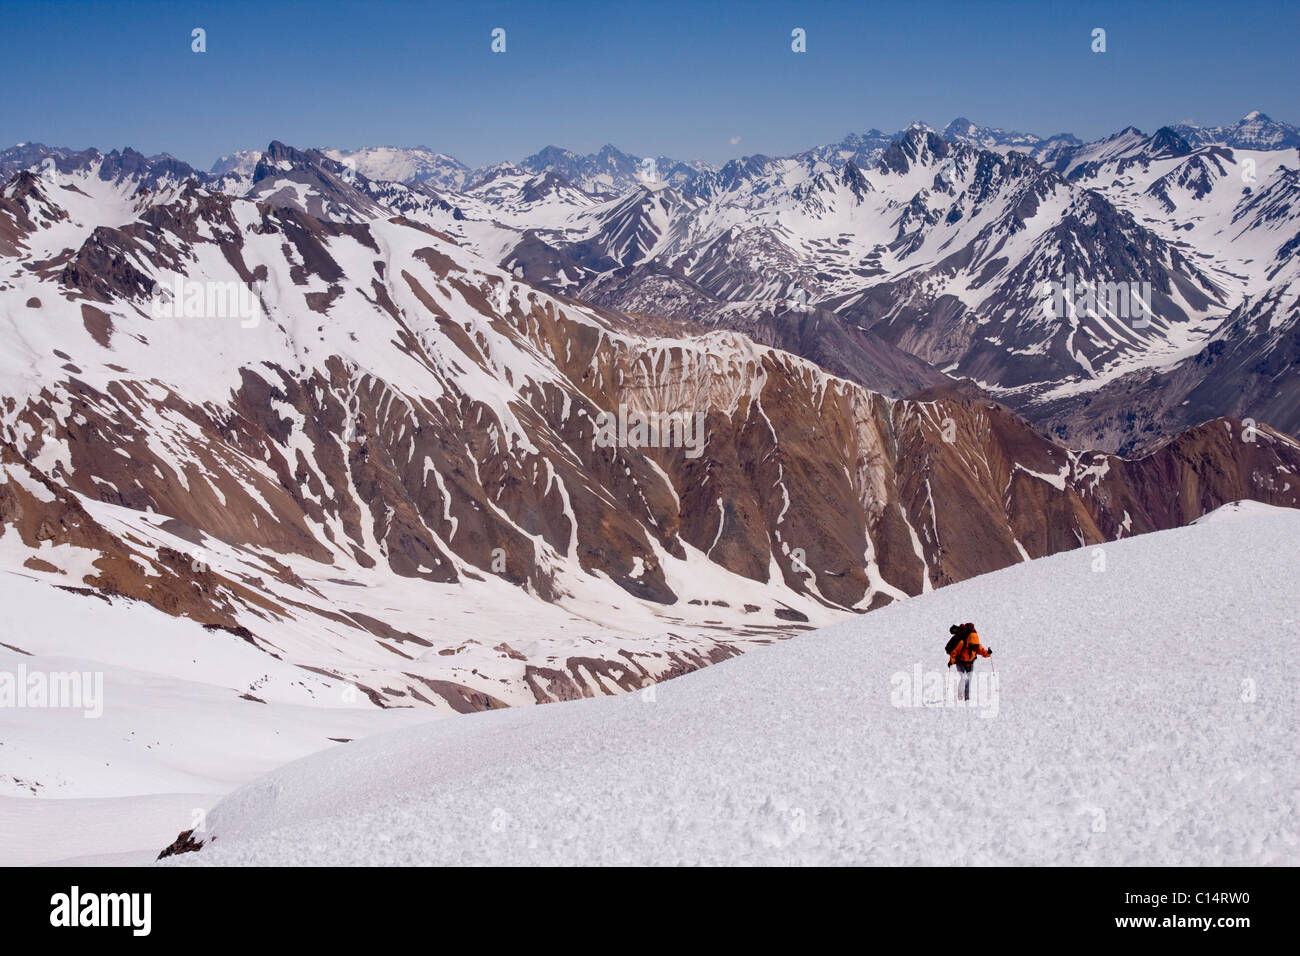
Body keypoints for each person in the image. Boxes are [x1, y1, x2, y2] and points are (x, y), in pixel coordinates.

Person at [947, 622, 991, 702]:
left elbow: (982, 651)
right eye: (972, 647)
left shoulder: (976, 645)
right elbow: (954, 653)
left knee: (968, 680)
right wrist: (951, 661)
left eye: (975, 647)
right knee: (964, 678)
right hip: (960, 663)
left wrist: (988, 653)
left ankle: (967, 699)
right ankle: (960, 695)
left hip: (970, 663)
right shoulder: (962, 643)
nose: (974, 649)